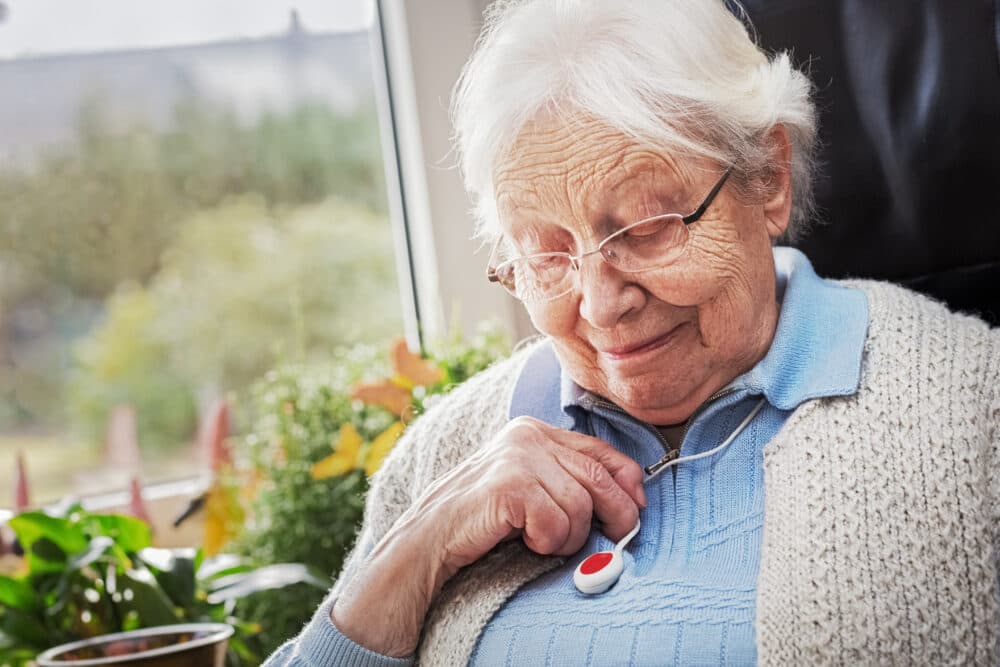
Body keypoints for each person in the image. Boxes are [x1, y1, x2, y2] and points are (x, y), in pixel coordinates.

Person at [264, 1, 1000, 664]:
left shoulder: (973, 408)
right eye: (546, 252)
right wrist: (407, 562)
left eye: (647, 228)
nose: (601, 303)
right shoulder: (449, 448)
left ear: (768, 178)